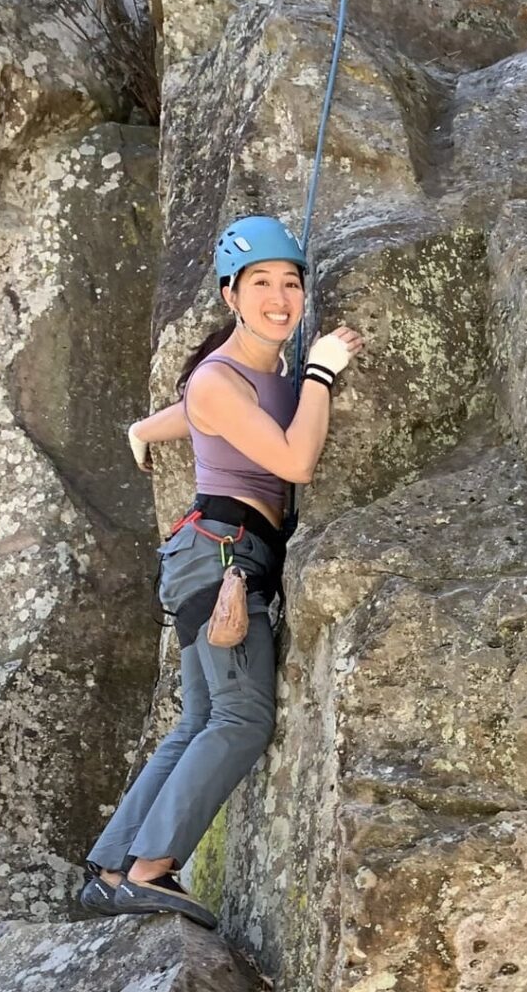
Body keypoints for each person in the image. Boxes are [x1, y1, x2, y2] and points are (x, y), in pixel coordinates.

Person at [80, 214, 362, 927]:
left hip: (214, 554)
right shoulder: (224, 377)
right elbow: (293, 460)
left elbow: (196, 414)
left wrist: (145, 429)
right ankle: (152, 869)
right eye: (260, 283)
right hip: (223, 556)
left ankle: (113, 867)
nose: (279, 296)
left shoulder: (252, 373)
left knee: (202, 717)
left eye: (290, 283)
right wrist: (322, 372)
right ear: (230, 295)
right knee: (241, 718)